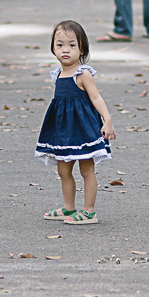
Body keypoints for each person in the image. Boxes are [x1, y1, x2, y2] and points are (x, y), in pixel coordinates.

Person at [36, 19, 115, 224]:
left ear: (82, 49)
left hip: (82, 129)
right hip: (63, 130)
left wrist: (107, 120)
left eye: (72, 45)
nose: (65, 50)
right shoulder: (58, 73)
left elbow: (96, 98)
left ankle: (89, 211)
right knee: (63, 169)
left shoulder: (83, 74)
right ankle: (69, 208)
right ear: (53, 48)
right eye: (59, 45)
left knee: (86, 169)